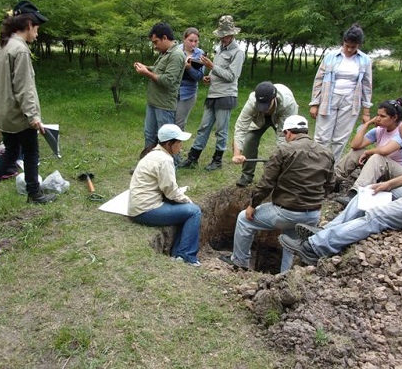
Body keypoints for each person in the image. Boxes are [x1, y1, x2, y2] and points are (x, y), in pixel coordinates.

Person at [279, 120, 402, 266]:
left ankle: (315, 247)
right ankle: (324, 230)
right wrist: (389, 184)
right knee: (369, 194)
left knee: (377, 216)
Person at [218, 115, 335, 273]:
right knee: (291, 244)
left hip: (286, 212)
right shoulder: (326, 153)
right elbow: (330, 185)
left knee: (244, 220)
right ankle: (285, 276)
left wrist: (252, 205)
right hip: (312, 214)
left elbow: (266, 183)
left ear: (288, 133)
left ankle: (239, 262)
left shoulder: (284, 150)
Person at [0, 0, 56, 207]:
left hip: (2, 113)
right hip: (19, 115)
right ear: (28, 24)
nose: (37, 32)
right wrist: (33, 116)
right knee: (30, 152)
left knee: (10, 153)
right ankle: (34, 194)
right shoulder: (20, 49)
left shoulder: (0, 44)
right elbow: (24, 88)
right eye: (36, 27)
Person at [128, 124, 202, 266]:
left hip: (138, 208)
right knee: (194, 212)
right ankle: (186, 256)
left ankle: (178, 254)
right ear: (169, 144)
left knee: (185, 211)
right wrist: (188, 201)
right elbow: (171, 192)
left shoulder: (154, 154)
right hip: (145, 211)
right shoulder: (165, 160)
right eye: (179, 142)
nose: (181, 146)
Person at [178, 15, 245, 171]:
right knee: (204, 127)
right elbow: (220, 72)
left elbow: (232, 76)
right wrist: (210, 77)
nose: (223, 38)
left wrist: (212, 66)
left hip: (226, 95)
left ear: (232, 34)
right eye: (221, 35)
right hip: (213, 92)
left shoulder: (238, 53)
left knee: (221, 129)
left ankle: (217, 160)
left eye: (226, 35)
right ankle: (192, 158)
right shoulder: (219, 49)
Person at [335, 98, 402, 206]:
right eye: (377, 115)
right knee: (357, 151)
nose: (378, 119)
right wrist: (367, 124)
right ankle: (334, 180)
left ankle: (355, 194)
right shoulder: (380, 129)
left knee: (377, 157)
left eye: (382, 116)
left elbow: (385, 150)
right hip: (384, 168)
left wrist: (369, 152)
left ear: (394, 117)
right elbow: (355, 145)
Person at [309, 23, 373, 162]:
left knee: (340, 138)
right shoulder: (330, 56)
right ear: (343, 42)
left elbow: (367, 86)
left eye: (353, 47)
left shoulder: (365, 60)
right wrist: (314, 103)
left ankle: (332, 168)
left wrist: (366, 111)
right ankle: (317, 165)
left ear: (359, 45)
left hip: (350, 102)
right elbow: (318, 80)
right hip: (328, 100)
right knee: (322, 137)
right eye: (347, 45)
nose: (349, 49)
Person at [232, 81, 299, 187]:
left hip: (281, 116)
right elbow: (240, 128)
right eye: (261, 105)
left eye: (267, 104)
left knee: (288, 147)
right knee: (249, 140)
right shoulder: (252, 101)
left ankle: (283, 176)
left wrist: (277, 159)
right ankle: (246, 176)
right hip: (259, 119)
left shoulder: (288, 103)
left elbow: (283, 136)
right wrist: (237, 154)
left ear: (274, 98)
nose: (264, 108)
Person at [134, 22, 186, 156]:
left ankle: (169, 167)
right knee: (149, 136)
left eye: (156, 42)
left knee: (166, 140)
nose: (155, 46)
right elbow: (159, 71)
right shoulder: (165, 53)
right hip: (153, 102)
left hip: (164, 105)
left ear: (164, 38)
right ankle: (147, 165)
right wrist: (146, 67)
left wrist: (147, 73)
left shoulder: (176, 55)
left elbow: (168, 81)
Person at [175, 27, 205, 131]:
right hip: (172, 90)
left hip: (188, 92)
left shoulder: (200, 54)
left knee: (179, 123)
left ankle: (176, 146)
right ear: (184, 39)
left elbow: (199, 76)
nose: (193, 44)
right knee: (167, 121)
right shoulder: (176, 50)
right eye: (190, 40)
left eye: (196, 41)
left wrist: (189, 68)